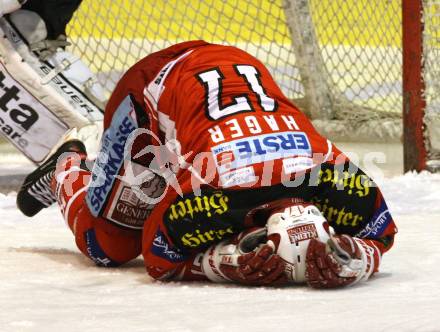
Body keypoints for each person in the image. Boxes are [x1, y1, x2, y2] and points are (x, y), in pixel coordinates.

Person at [16, 41, 398, 288]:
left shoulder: (337, 185)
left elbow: (380, 235)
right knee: (108, 246)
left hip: (234, 69)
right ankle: (69, 164)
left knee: (169, 183)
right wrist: (223, 264)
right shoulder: (213, 200)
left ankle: (126, 172)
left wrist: (354, 257)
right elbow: (156, 256)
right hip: (151, 90)